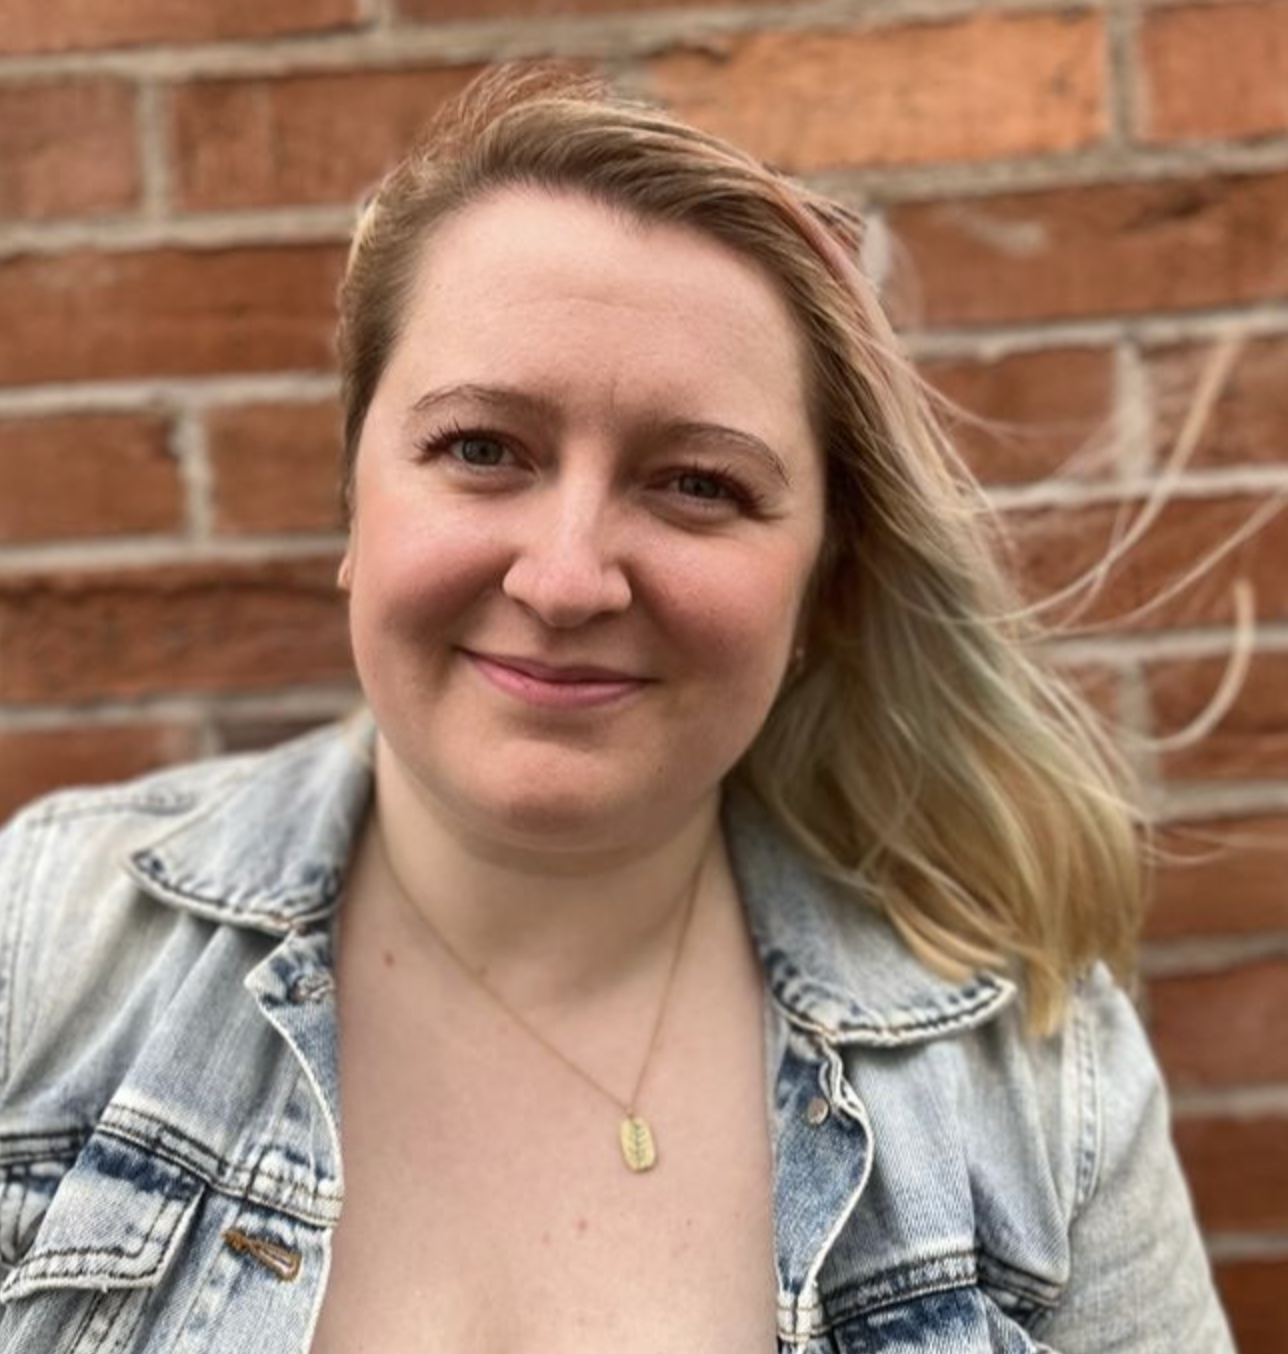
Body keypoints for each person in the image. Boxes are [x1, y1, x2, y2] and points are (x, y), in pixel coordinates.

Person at [0, 68, 1233, 1353]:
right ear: (354, 499)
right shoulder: (43, 942)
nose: (569, 577)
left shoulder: (1036, 1070)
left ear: (819, 580)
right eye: (481, 448)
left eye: (697, 481)